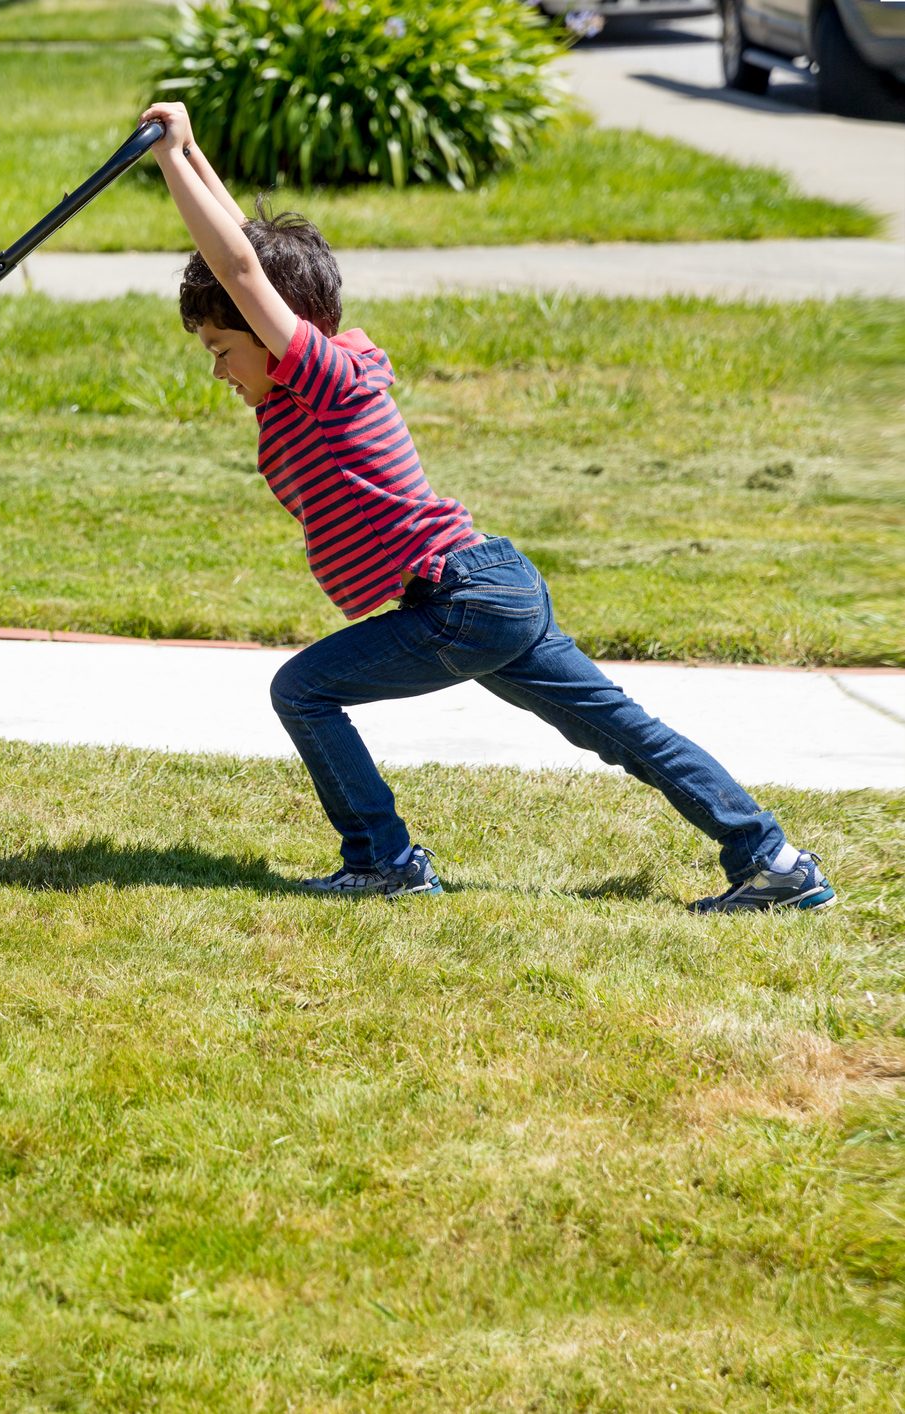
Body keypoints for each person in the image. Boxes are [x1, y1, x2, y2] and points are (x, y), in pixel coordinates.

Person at [137, 100, 835, 913]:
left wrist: (165, 166)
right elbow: (245, 261)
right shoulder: (299, 394)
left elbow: (243, 273)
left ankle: (383, 860)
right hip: (490, 589)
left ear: (277, 333)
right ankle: (772, 860)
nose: (218, 370)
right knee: (620, 731)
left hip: (461, 600)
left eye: (223, 350)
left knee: (303, 690)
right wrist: (187, 150)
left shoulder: (325, 382)